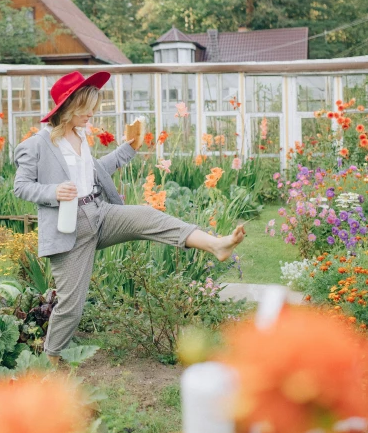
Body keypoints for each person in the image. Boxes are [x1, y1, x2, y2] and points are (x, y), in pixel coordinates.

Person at [14, 71, 245, 363]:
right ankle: (50, 364)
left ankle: (215, 245)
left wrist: (129, 149)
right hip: (68, 230)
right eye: (87, 108)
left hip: (99, 213)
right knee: (71, 307)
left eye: (94, 108)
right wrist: (54, 191)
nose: (92, 115)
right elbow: (21, 187)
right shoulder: (38, 144)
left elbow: (96, 171)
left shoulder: (80, 136)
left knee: (149, 216)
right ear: (69, 106)